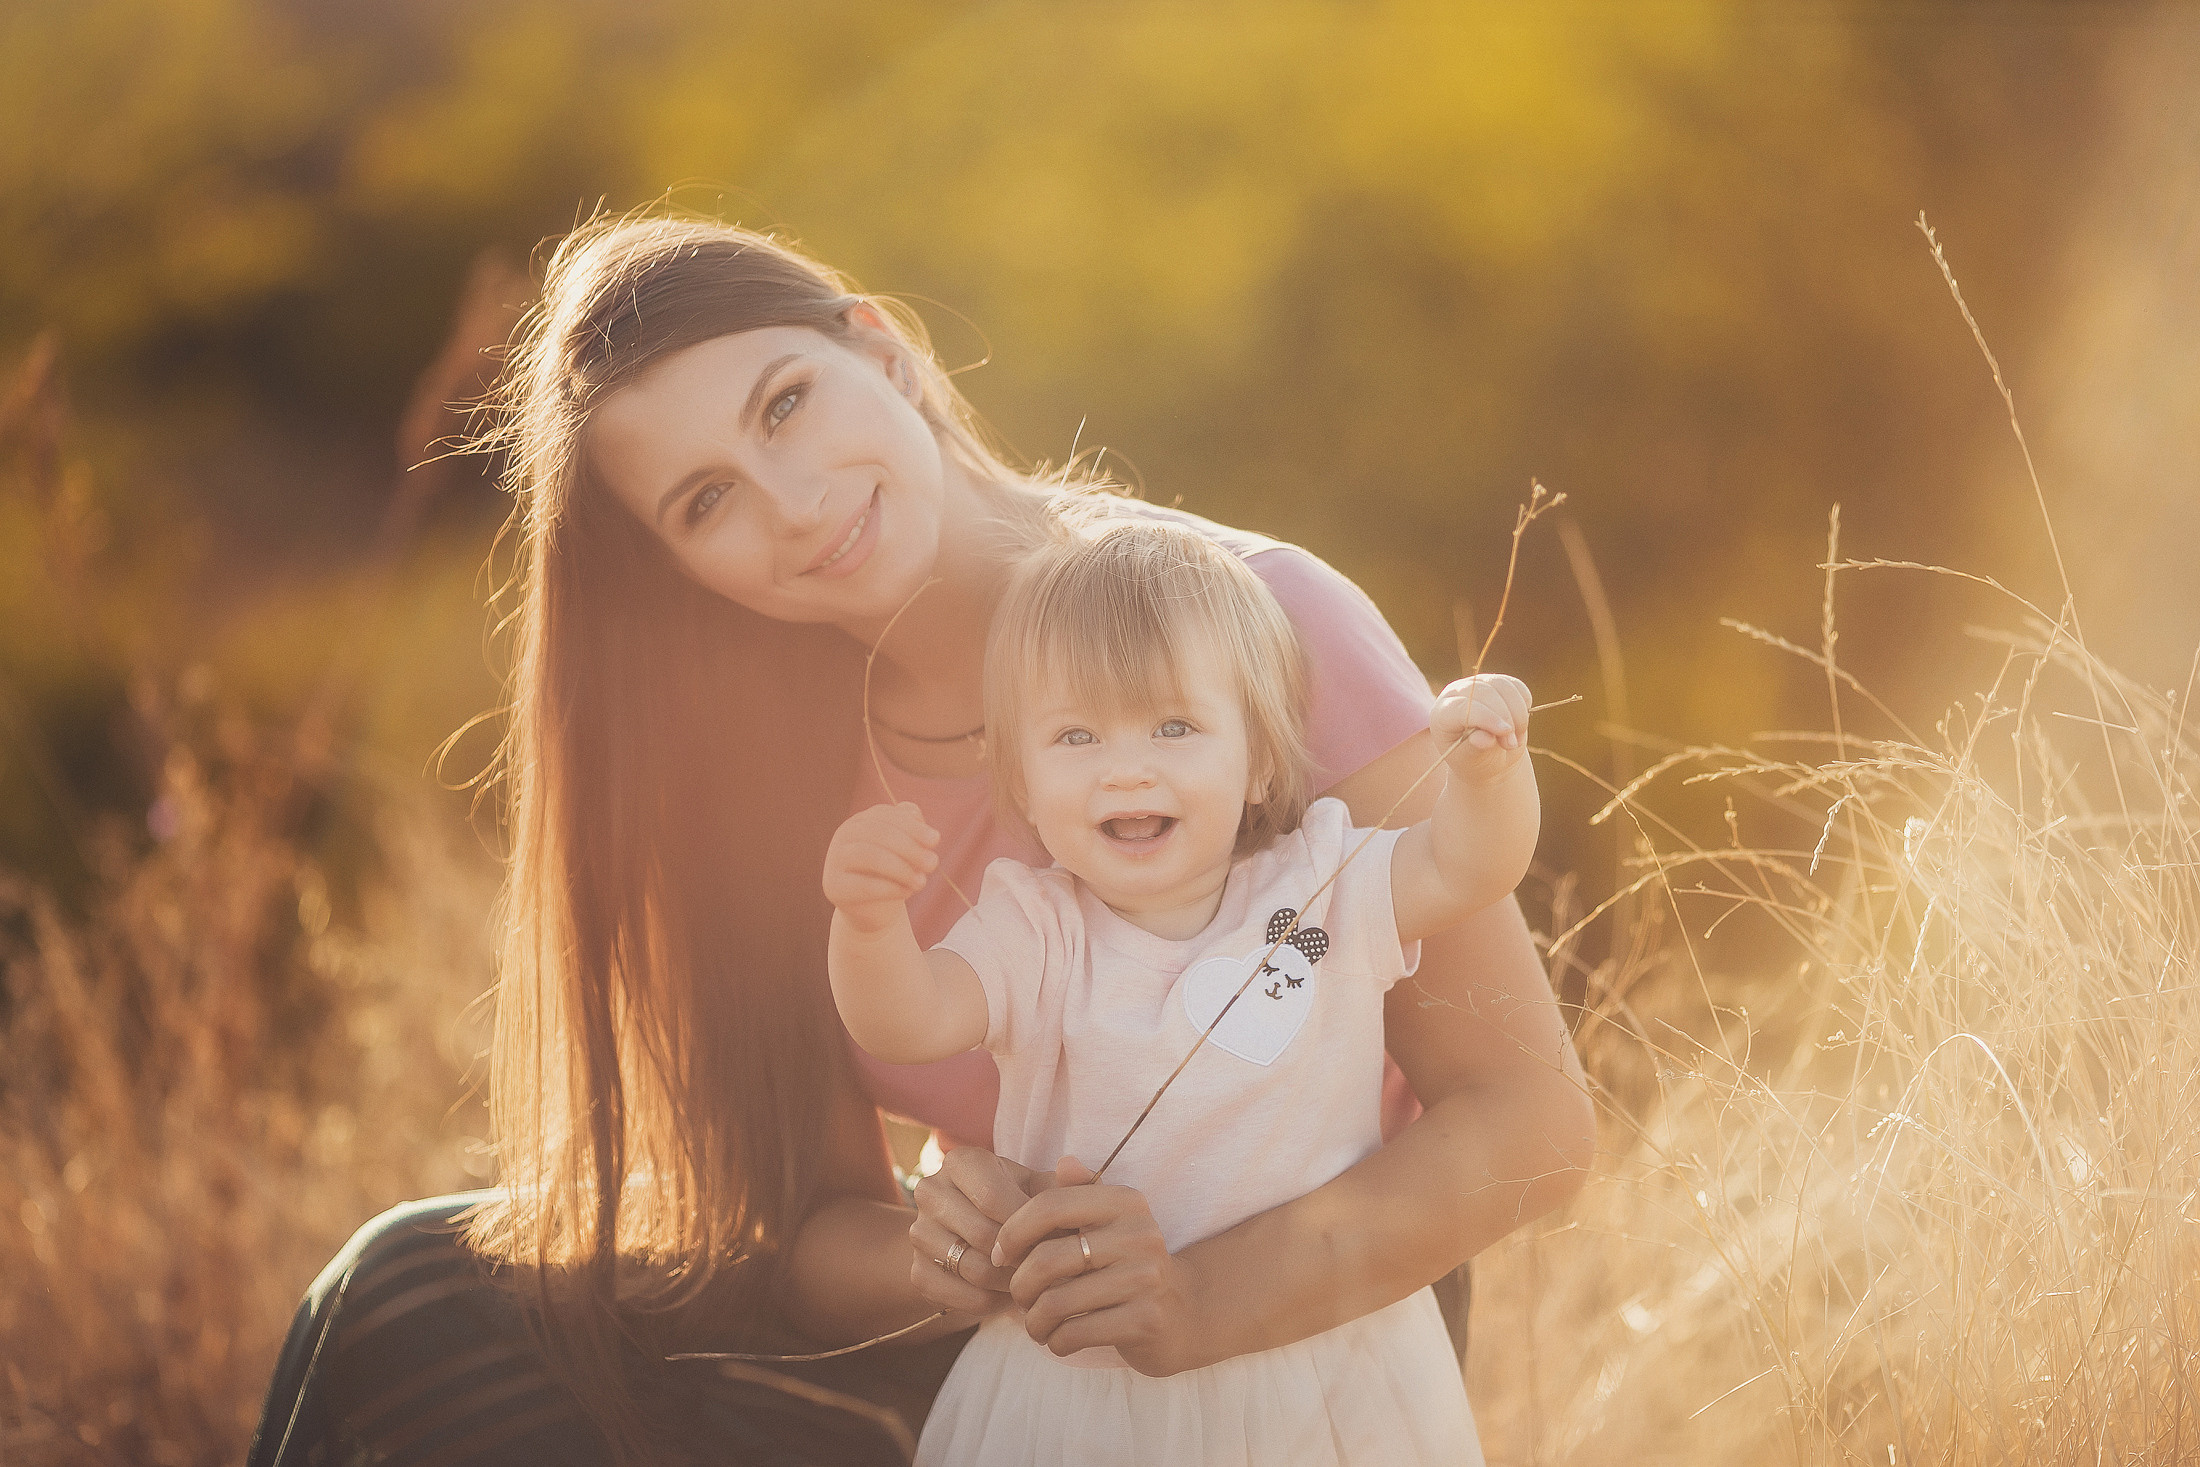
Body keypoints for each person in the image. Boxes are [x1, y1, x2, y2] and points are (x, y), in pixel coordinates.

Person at [246, 213, 1593, 1467]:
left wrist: (1186, 1301)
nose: (791, 502)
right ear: (680, 569)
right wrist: (952, 1251)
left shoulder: (1255, 621)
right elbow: (798, 1228)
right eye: (706, 501)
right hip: (1004, 1345)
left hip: (1294, 1343)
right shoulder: (765, 768)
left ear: (879, 347)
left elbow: (1529, 1121)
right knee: (403, 1296)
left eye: (786, 404)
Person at [824, 518, 1536, 1464]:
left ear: (1261, 761)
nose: (1127, 766)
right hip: (1087, 1378)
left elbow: (1466, 867)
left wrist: (1488, 774)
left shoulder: (1324, 883)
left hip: (1324, 1350)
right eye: (1076, 734)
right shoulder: (1034, 929)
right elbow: (907, 1018)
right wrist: (868, 922)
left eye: (1174, 726)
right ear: (1024, 785)